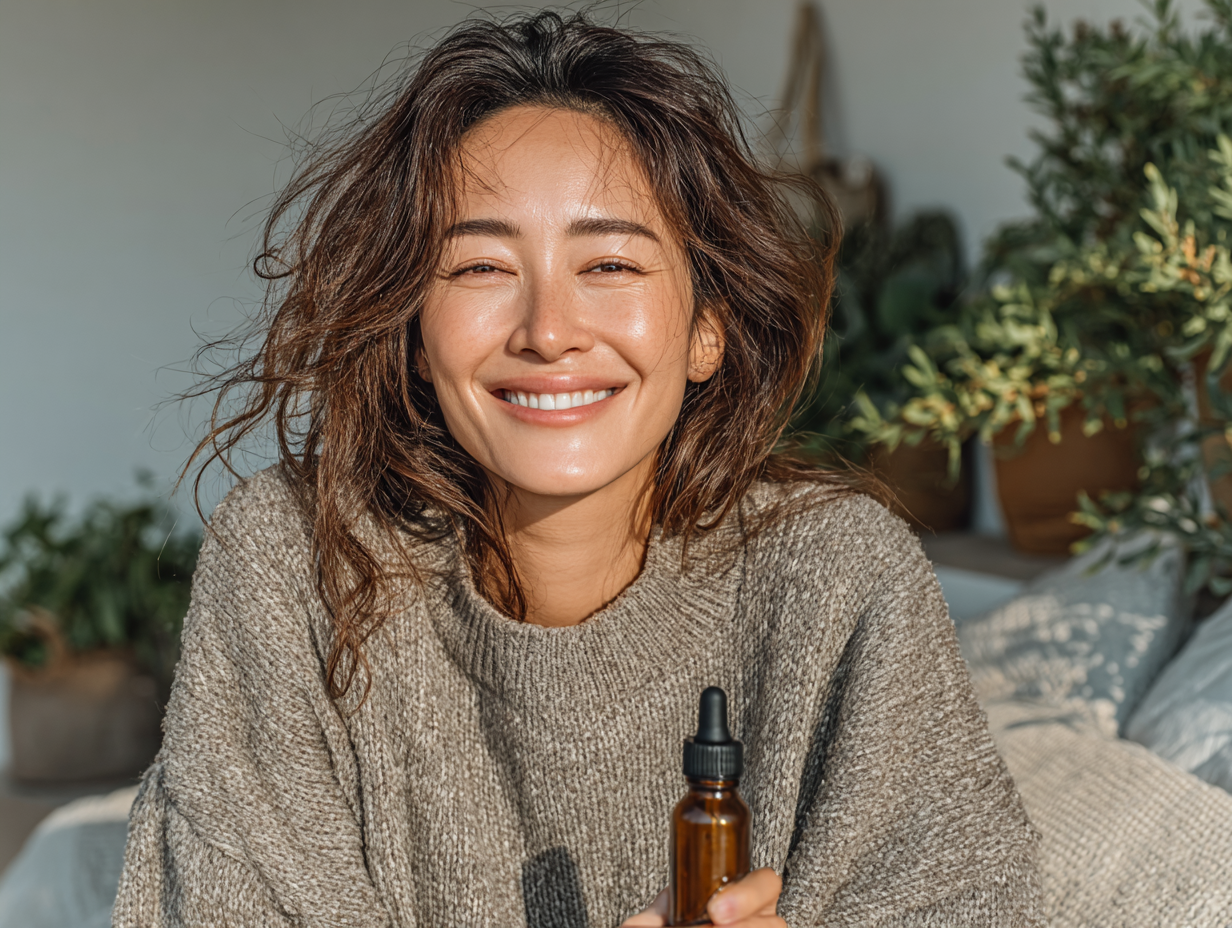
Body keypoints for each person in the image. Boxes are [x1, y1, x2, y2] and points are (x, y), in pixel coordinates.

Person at [113, 12, 1044, 927]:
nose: (548, 331)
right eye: (481, 267)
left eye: (610, 265)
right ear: (413, 333)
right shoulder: (294, 564)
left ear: (707, 329)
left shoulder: (839, 583)